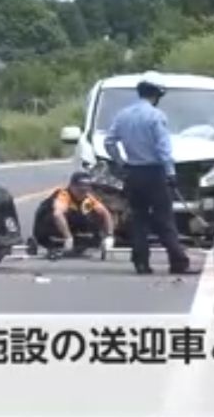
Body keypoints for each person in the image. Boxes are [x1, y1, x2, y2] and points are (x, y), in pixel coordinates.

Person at [105, 73, 195, 275]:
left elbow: (109, 142)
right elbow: (163, 149)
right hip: (155, 172)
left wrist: (121, 162)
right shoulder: (156, 116)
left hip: (133, 172)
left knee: (139, 219)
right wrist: (171, 173)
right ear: (157, 95)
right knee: (164, 218)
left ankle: (141, 262)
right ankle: (178, 262)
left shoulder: (123, 115)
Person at [31, 171, 116, 260]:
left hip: (70, 227)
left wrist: (109, 236)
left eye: (86, 188)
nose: (82, 191)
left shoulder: (88, 199)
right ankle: (60, 241)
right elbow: (57, 214)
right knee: (62, 215)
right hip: (46, 227)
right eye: (80, 188)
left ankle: (77, 242)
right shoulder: (64, 195)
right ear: (72, 186)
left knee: (92, 218)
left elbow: (105, 213)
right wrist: (68, 237)